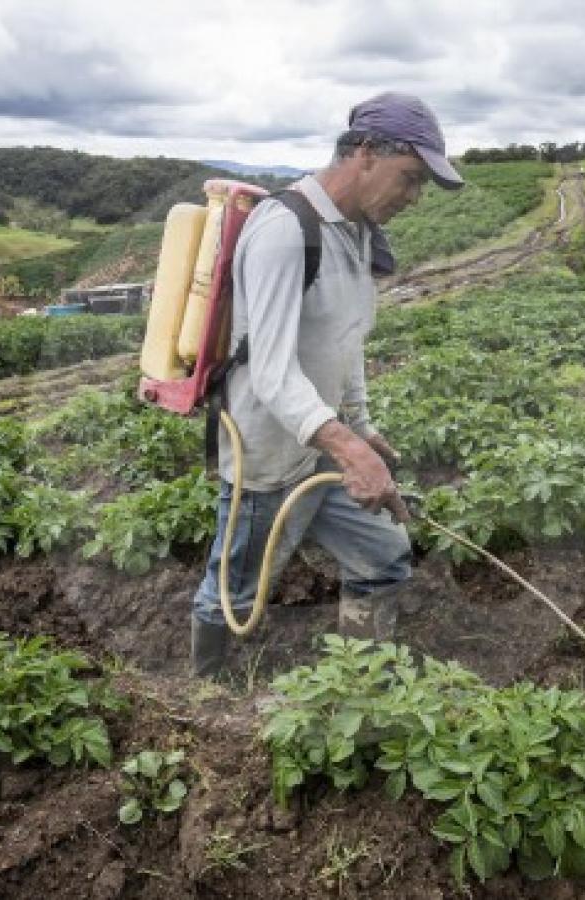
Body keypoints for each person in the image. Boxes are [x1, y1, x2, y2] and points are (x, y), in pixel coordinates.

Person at [190, 92, 464, 677]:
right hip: (266, 458)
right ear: (365, 154)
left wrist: (361, 429)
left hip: (322, 450)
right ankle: (204, 693)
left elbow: (347, 339)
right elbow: (270, 370)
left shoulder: (357, 233)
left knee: (384, 556)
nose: (413, 199)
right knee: (233, 595)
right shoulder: (286, 230)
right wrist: (348, 445)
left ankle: (357, 684)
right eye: (410, 179)